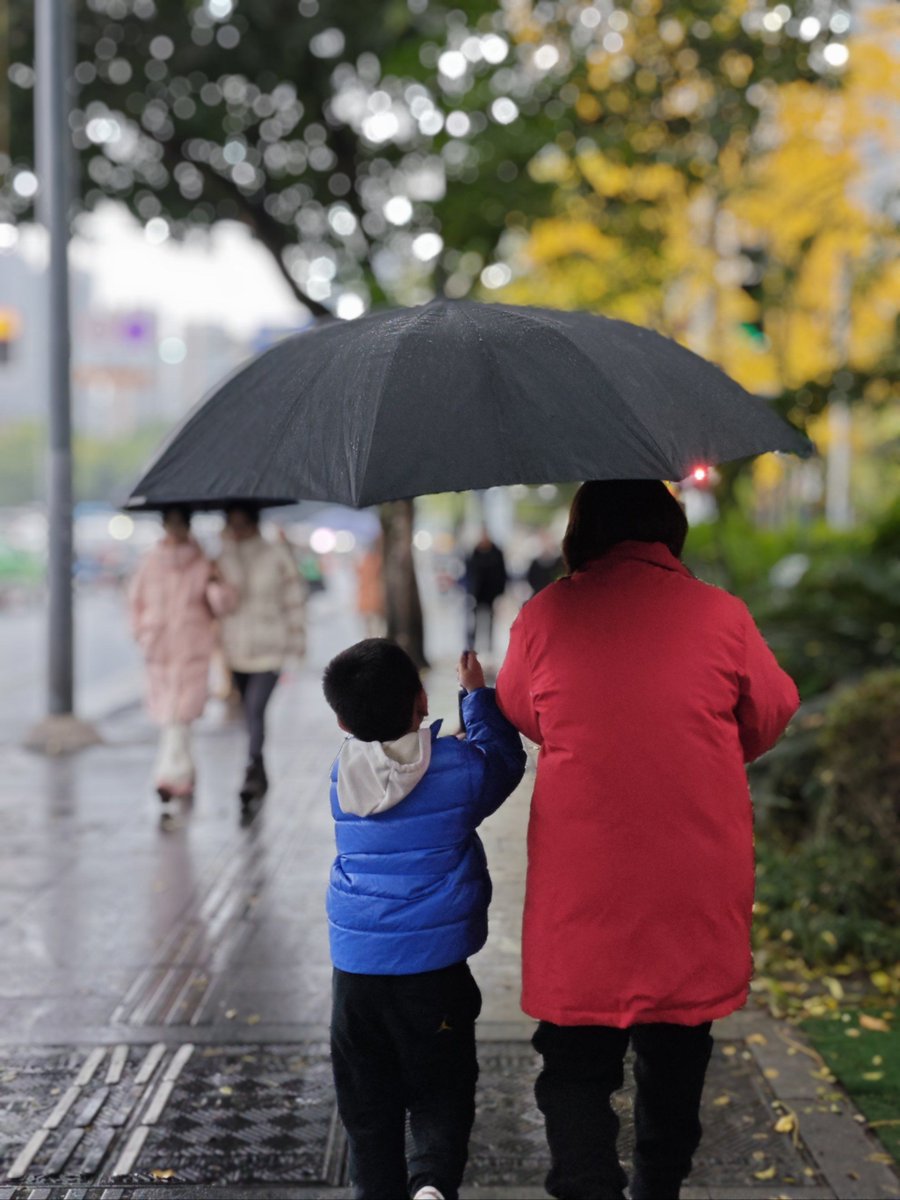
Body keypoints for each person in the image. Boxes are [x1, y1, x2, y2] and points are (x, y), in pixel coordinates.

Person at [495, 479, 799, 1200]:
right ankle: (657, 1185)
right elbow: (772, 709)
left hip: (584, 875)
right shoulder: (721, 615)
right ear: (670, 532)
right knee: (678, 1043)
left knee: (573, 1054)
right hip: (691, 869)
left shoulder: (545, 615)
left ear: (581, 532)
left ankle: (586, 1180)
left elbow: (519, 709)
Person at [322, 639, 526, 1200]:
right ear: (420, 700)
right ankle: (432, 1184)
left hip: (357, 978)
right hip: (434, 974)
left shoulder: (341, 779)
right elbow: (505, 763)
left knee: (367, 1110)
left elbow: (392, 770)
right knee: (439, 1092)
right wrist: (475, 697)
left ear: (341, 719)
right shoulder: (458, 767)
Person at [128, 506, 227, 803]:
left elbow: (222, 606)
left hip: (192, 647)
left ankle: (168, 776)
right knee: (168, 714)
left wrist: (215, 584)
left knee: (180, 715)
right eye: (170, 524)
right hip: (158, 648)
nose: (174, 531)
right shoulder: (150, 562)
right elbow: (135, 601)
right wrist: (142, 633)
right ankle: (183, 774)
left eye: (179, 524)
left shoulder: (204, 564)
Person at [215, 504, 307, 806]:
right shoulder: (223, 558)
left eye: (242, 523)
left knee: (255, 710)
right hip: (236, 649)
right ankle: (260, 770)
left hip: (271, 648)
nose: (238, 530)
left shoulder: (275, 554)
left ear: (254, 523)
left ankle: (251, 769)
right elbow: (218, 606)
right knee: (247, 712)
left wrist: (298, 643)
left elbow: (294, 600)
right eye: (233, 524)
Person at [463, 528, 507, 655]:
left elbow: (502, 574)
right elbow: (469, 572)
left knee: (490, 621)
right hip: (477, 593)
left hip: (491, 593)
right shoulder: (475, 552)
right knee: (473, 621)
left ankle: (489, 645)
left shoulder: (496, 553)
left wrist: (500, 592)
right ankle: (472, 644)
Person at [355, 536, 386, 637]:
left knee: (371, 628)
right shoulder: (377, 560)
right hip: (375, 599)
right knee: (375, 628)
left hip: (368, 599)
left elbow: (358, 572)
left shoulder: (366, 559)